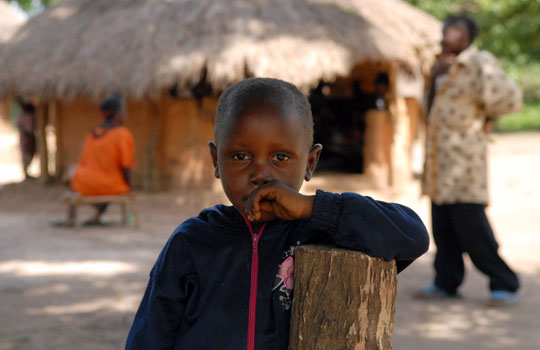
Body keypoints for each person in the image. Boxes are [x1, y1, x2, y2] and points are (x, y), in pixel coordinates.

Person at [125, 77, 429, 349]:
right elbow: (151, 337)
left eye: (280, 157)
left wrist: (313, 207)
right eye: (240, 156)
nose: (260, 174)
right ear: (216, 160)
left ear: (311, 162)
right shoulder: (192, 241)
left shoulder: (321, 230)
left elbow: (412, 235)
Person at [415, 14, 522, 307]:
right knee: (443, 230)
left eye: (458, 30)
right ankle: (445, 283)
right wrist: (433, 77)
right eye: (448, 28)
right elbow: (428, 114)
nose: (450, 34)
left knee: (473, 229)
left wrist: (487, 116)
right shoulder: (441, 66)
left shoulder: (479, 62)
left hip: (464, 164)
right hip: (439, 164)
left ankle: (505, 283)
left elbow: (510, 98)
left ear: (468, 35)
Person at [68, 93, 135, 225]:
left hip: (83, 185)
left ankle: (73, 218)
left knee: (72, 170)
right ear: (117, 114)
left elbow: (84, 161)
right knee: (115, 182)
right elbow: (126, 166)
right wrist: (129, 188)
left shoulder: (91, 132)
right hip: (110, 185)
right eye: (123, 110)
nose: (126, 114)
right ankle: (100, 211)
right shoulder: (123, 134)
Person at [16, 100, 36, 180]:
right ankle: (26, 173)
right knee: (27, 155)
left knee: (27, 155)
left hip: (27, 138)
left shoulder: (24, 116)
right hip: (27, 138)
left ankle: (26, 172)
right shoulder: (28, 117)